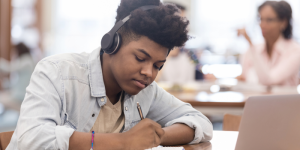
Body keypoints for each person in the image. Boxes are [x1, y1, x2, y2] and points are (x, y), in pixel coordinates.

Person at [6, 0, 213, 150]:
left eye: (158, 66)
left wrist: (153, 137)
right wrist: (124, 142)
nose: (148, 73)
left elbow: (200, 123)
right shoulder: (57, 72)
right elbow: (31, 139)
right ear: (112, 43)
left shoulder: (146, 91)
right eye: (140, 58)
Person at [238, 1, 300, 86]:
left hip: (284, 99)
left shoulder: (295, 50)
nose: (262, 25)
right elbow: (244, 79)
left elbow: (269, 80)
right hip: (254, 99)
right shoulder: (251, 50)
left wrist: (249, 41)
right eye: (260, 19)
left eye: (269, 20)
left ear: (283, 22)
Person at [156, 3, 196, 84]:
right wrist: (168, 55)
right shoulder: (155, 50)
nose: (185, 26)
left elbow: (200, 72)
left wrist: (207, 76)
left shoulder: (189, 52)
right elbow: (150, 82)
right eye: (180, 21)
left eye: (186, 21)